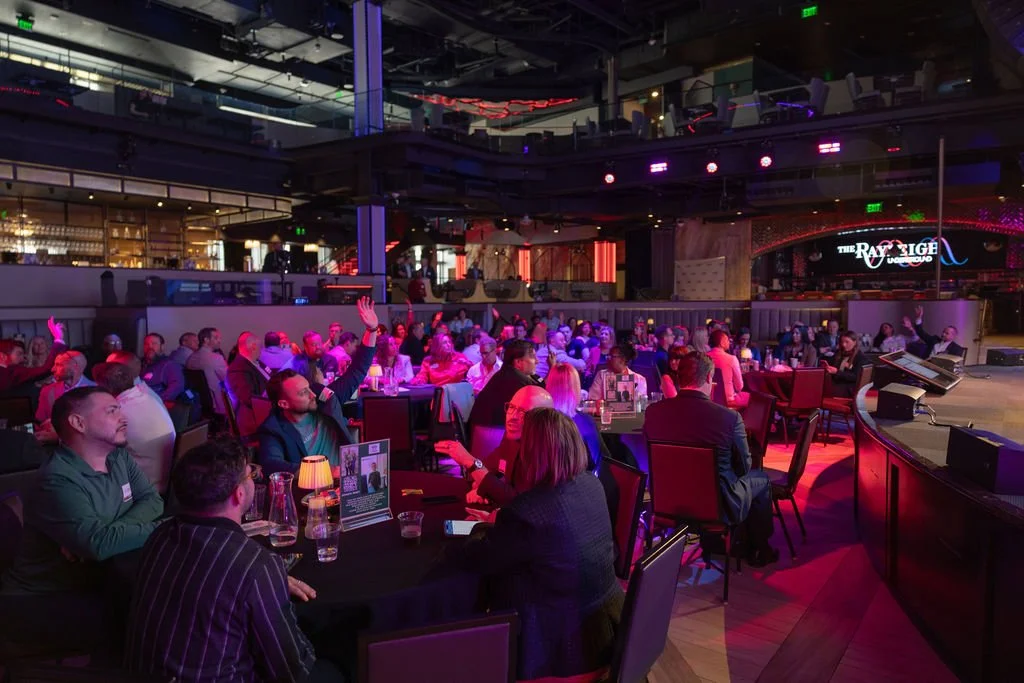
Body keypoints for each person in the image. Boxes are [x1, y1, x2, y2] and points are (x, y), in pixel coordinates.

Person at [126, 436, 337, 682]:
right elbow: (293, 672)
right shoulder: (254, 565)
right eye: (250, 475)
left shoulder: (160, 536)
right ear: (238, 494)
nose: (254, 478)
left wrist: (265, 584)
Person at [445, 408, 623, 681]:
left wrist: (484, 526)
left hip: (562, 649)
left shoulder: (528, 513)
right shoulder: (591, 484)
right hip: (607, 631)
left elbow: (476, 558)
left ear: (532, 452)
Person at [3, 387, 164, 595]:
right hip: (46, 595)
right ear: (79, 423)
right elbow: (98, 544)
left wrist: (106, 535)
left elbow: (152, 500)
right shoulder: (57, 479)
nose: (123, 417)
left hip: (96, 578)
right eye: (111, 411)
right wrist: (162, 528)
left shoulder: (118, 457)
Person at [643, 352, 777, 567]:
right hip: (717, 508)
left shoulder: (653, 412)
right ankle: (760, 550)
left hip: (668, 503)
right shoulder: (729, 418)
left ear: (679, 378)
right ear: (708, 378)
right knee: (760, 479)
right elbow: (744, 467)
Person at [257, 298, 378, 473]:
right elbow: (272, 465)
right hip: (314, 492)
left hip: (352, 478)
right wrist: (325, 472)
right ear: (284, 404)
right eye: (303, 393)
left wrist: (372, 329)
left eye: (308, 388)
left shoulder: (324, 399)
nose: (312, 394)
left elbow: (357, 371)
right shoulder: (273, 428)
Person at [438, 385, 554, 507]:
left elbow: (518, 502)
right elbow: (492, 467)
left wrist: (470, 462)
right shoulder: (513, 436)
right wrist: (483, 486)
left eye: (523, 412)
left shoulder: (543, 451)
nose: (512, 417)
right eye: (511, 407)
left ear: (543, 421)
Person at [93, 362, 176, 494]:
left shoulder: (119, 413)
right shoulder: (149, 396)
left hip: (145, 490)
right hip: (167, 480)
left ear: (103, 387)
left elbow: (92, 449)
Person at [468, 339, 540, 427]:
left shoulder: (502, 374)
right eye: (533, 357)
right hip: (494, 435)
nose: (537, 361)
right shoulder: (520, 382)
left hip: (479, 431)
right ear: (518, 362)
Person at [0, 317, 66, 396]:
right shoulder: (12, 372)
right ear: (2, 356)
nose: (22, 357)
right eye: (18, 354)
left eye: (42, 343)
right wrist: (58, 339)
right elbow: (46, 369)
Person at [226, 331, 271, 436]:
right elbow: (248, 399)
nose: (262, 350)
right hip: (256, 417)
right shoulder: (238, 368)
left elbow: (272, 377)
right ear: (253, 346)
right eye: (261, 346)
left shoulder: (258, 363)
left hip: (267, 409)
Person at [35, 351, 94, 425]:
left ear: (75, 366)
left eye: (59, 365)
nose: (53, 369)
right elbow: (40, 421)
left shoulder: (95, 391)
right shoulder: (47, 391)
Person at [185, 326, 229, 415]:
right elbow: (229, 380)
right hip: (218, 405)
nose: (219, 340)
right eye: (216, 338)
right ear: (206, 340)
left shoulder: (190, 358)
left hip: (199, 403)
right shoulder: (216, 358)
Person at [141, 333, 186, 403]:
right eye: (146, 344)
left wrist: (157, 401)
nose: (149, 346)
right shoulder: (140, 364)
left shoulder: (169, 365)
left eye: (154, 343)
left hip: (156, 407)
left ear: (162, 346)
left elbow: (177, 387)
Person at [709, 329, 748, 409]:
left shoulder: (704, 357)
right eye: (727, 340)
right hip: (728, 401)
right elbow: (739, 387)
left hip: (709, 399)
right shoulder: (732, 359)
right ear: (721, 342)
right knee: (753, 398)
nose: (729, 342)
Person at [826, 331, 869, 399]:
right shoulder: (839, 354)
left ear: (854, 342)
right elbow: (830, 363)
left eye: (847, 342)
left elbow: (855, 377)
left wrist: (837, 372)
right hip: (838, 384)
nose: (844, 344)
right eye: (842, 342)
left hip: (849, 388)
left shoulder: (860, 358)